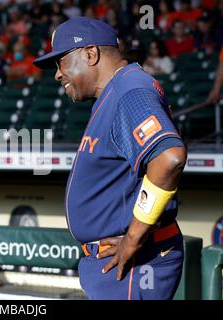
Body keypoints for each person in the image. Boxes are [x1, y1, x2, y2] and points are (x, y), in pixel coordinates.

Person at [33, 17, 187, 300]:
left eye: (61, 62)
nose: (57, 74)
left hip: (132, 265)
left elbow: (169, 157)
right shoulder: (117, 92)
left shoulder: (129, 90)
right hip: (119, 266)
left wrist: (132, 238)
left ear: (91, 54)